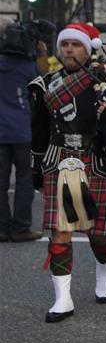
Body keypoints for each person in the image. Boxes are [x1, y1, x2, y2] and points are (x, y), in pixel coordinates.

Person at [30, 23, 106, 322]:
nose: (69, 49)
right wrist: (36, 165)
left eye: (76, 44)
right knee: (60, 234)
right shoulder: (46, 84)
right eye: (65, 44)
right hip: (59, 161)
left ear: (88, 48)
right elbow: (40, 128)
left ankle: (104, 269)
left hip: (95, 161)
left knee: (100, 237)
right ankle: (63, 299)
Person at [0, 18, 42, 242]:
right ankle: (20, 227)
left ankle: (1, 227)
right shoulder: (27, 66)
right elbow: (38, 95)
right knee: (25, 179)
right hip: (22, 131)